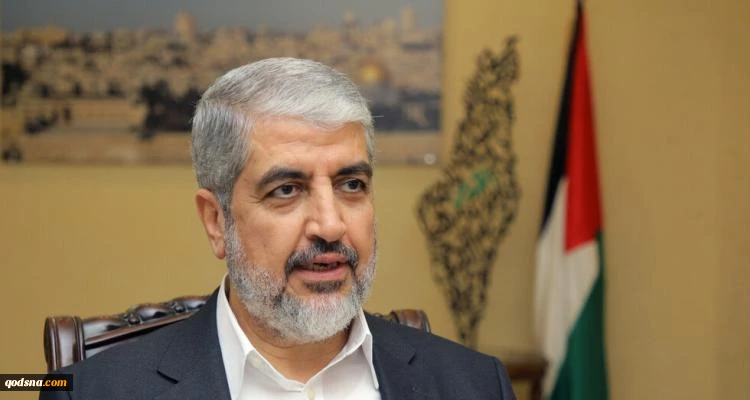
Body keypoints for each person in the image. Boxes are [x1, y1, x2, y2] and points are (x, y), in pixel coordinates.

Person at [41, 58, 516, 400]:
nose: (330, 225)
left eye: (352, 184)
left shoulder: (476, 386)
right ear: (216, 221)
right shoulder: (94, 393)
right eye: (287, 190)